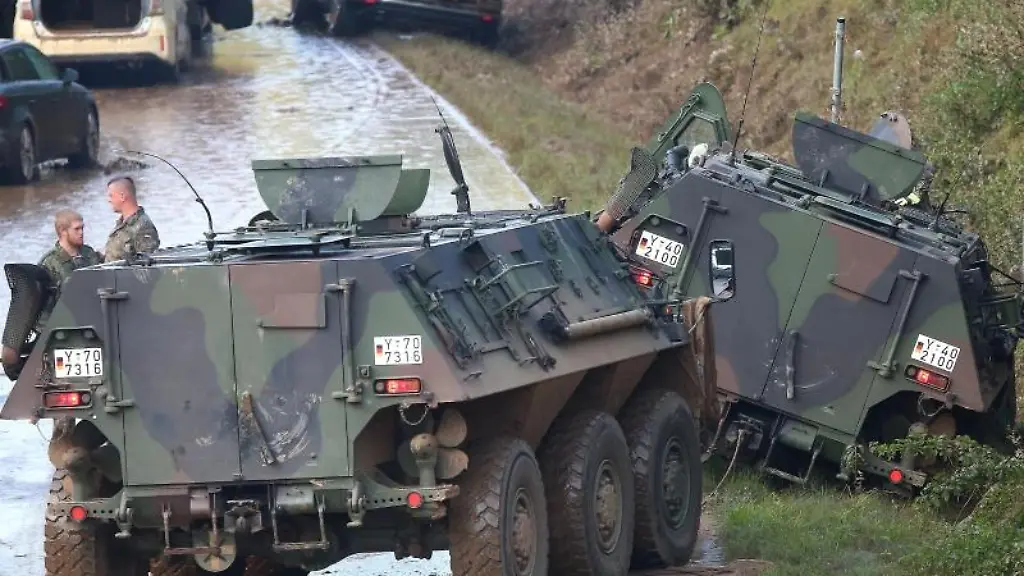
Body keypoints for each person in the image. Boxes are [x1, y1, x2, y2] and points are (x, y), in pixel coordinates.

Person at [33, 209, 103, 333]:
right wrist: (51, 333)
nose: (81, 233)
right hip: (65, 327)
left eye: (82, 228)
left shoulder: (89, 253)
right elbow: (40, 308)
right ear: (63, 231)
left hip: (94, 321)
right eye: (76, 229)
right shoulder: (49, 263)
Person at [103, 175, 160, 262]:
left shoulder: (143, 227)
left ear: (122, 196)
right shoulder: (122, 224)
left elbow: (147, 263)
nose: (109, 200)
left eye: (111, 196)